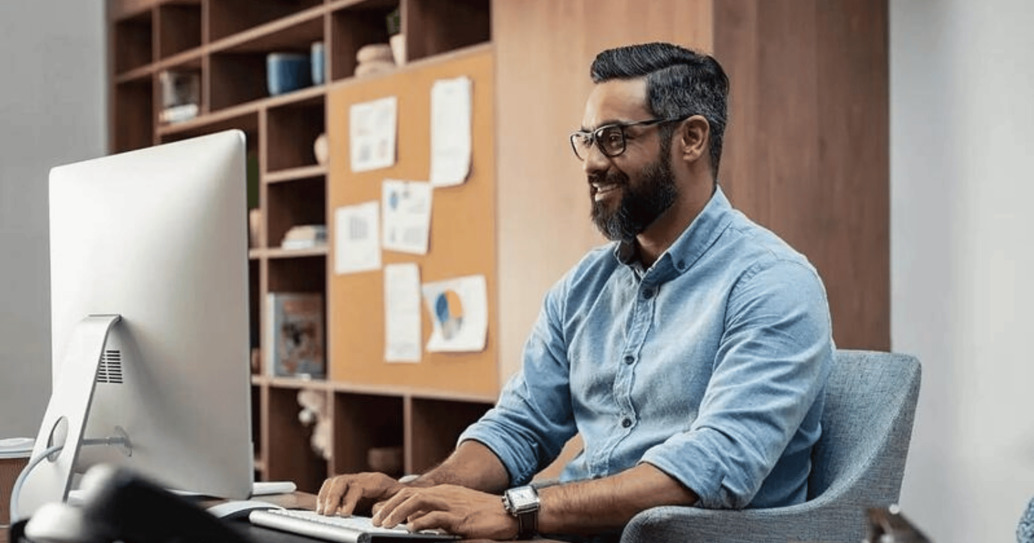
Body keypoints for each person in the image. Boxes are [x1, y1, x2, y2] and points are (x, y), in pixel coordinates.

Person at [316, 42, 834, 542]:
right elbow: (520, 426)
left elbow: (711, 468)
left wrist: (517, 512)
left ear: (692, 139)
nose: (591, 162)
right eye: (586, 140)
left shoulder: (773, 283)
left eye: (613, 138)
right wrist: (420, 493)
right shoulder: (583, 287)